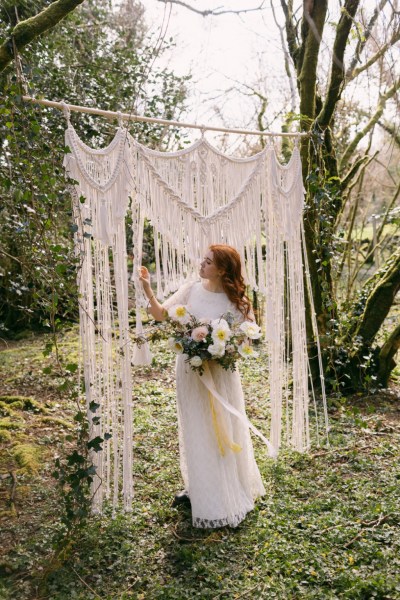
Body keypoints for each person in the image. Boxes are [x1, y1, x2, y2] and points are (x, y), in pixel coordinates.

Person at [139, 244, 265, 528]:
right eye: (203, 260)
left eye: (208, 262)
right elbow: (161, 315)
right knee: (196, 428)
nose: (202, 264)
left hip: (220, 375)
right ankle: (200, 488)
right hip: (189, 371)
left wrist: (221, 348)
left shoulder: (237, 302)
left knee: (223, 429)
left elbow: (249, 336)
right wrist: (148, 288)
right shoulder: (190, 290)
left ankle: (226, 491)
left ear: (222, 270)